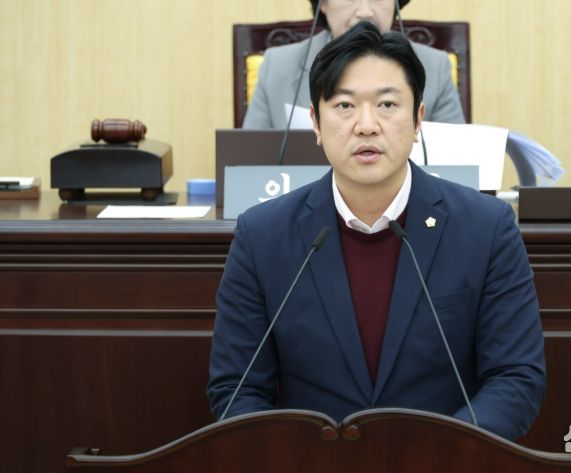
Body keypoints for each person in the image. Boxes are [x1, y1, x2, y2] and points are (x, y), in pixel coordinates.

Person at [209, 21, 546, 441]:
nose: (366, 125)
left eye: (387, 104)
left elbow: (515, 377)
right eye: (344, 105)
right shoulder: (263, 236)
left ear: (418, 119)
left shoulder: (486, 228)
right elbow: (237, 389)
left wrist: (442, 457)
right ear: (315, 123)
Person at [243, 0, 465, 128]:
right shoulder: (277, 66)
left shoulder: (434, 66)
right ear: (323, 4)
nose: (365, 12)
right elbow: (248, 161)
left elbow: (456, 162)